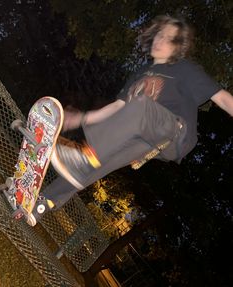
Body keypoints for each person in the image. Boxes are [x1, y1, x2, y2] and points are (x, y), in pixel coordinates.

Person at [27, 15, 233, 226]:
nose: (160, 41)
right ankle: (43, 202)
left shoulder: (185, 69)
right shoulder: (140, 73)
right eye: (159, 35)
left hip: (175, 132)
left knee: (140, 107)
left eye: (168, 39)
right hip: (145, 140)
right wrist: (82, 118)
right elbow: (117, 107)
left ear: (178, 47)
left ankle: (83, 157)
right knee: (98, 164)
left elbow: (224, 99)